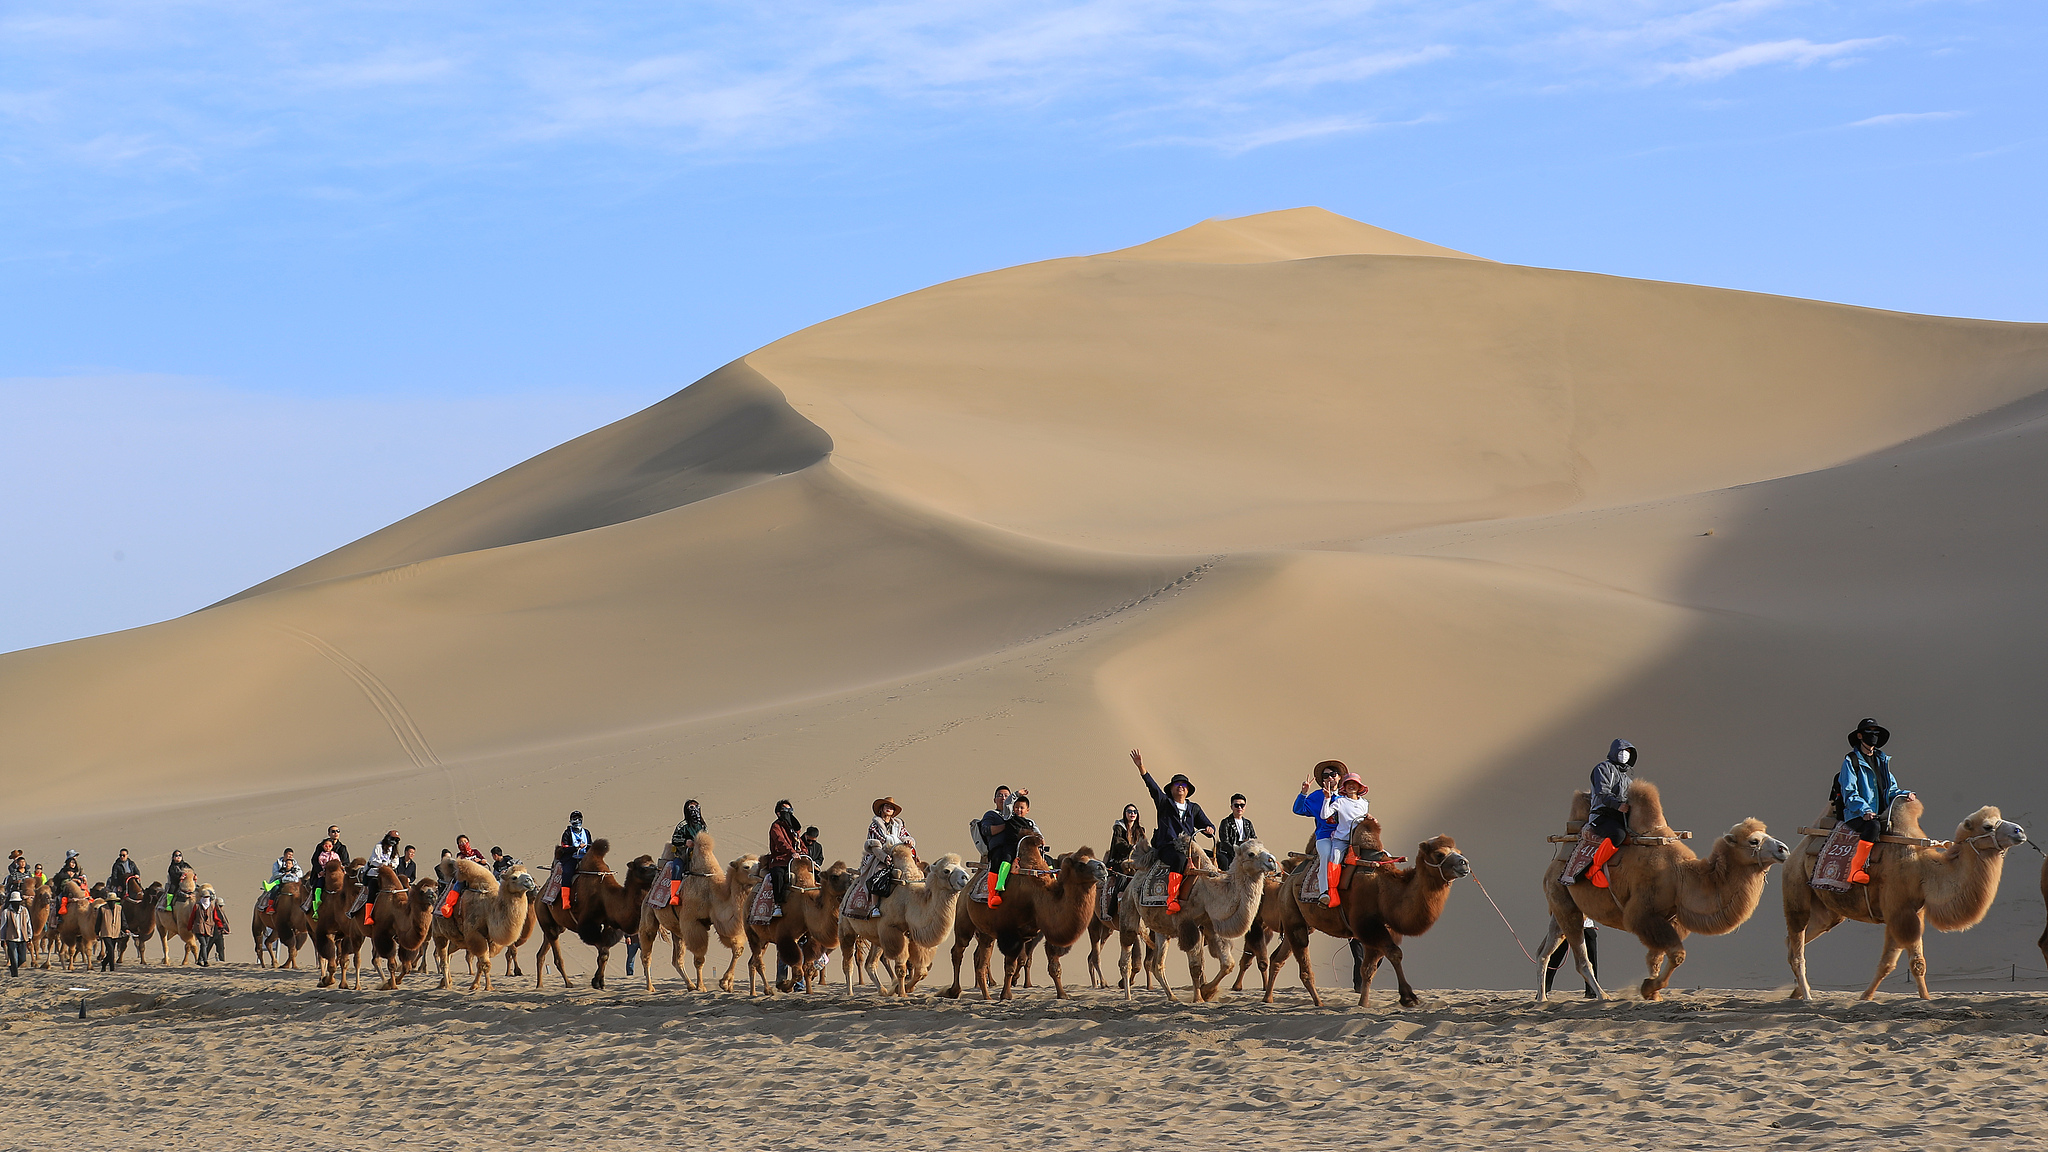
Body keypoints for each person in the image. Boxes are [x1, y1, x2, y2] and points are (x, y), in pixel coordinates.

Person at [1130, 750, 1215, 914]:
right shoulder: (1164, 803)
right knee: (1179, 859)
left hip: (1189, 847)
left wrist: (1210, 830)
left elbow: (1207, 825)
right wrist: (1141, 767)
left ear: (1188, 790)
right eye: (1177, 785)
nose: (1181, 787)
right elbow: (1152, 788)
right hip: (1167, 847)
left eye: (1184, 785)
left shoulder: (1193, 808)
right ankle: (1172, 899)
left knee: (1215, 858)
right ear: (1171, 789)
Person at [1833, 718, 1912, 885]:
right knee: (1873, 827)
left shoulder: (1881, 760)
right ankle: (1856, 870)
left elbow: (1890, 789)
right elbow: (1850, 792)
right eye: (1870, 732)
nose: (1873, 736)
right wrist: (1864, 811)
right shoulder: (1851, 761)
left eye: (1876, 733)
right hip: (1857, 814)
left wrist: (1905, 794)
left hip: (1879, 813)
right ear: (1860, 736)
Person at [1565, 740, 1636, 888]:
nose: (1625, 755)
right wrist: (1617, 805)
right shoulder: (1603, 769)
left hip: (1620, 816)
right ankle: (1594, 868)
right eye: (1622, 751)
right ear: (1615, 751)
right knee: (1618, 835)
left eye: (1628, 752)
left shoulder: (1628, 779)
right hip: (1602, 815)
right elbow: (1603, 792)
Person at [845, 798, 916, 920]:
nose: (889, 808)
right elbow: (875, 846)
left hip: (898, 855)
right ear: (881, 809)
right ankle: (874, 907)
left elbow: (906, 836)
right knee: (878, 874)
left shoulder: (898, 825)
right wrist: (884, 858)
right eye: (886, 806)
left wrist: (909, 841)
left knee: (916, 874)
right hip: (879, 856)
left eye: (891, 807)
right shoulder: (874, 825)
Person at [1316, 773, 1372, 908]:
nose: (1351, 786)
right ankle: (1328, 892)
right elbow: (1324, 815)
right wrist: (1327, 799)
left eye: (1354, 784)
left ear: (1359, 787)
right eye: (1348, 784)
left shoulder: (1364, 803)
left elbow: (1363, 818)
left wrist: (1370, 818)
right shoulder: (1340, 802)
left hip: (1359, 840)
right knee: (1333, 858)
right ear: (1344, 787)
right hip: (1341, 840)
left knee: (1379, 854)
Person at [1294, 760, 1344, 903]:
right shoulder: (1316, 796)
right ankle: (1324, 891)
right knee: (1327, 855)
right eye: (1325, 776)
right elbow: (1298, 809)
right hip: (1325, 836)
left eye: (1333, 774)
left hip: (1345, 837)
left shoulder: (1346, 796)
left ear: (1339, 777)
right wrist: (1303, 793)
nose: (1329, 778)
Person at [985, 794, 1045, 908]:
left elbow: (1038, 833)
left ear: (1027, 810)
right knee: (1006, 860)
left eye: (1022, 808)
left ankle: (1051, 881)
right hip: (1011, 847)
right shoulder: (1009, 818)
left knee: (1046, 860)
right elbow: (1007, 804)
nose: (1019, 810)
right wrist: (1017, 794)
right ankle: (998, 886)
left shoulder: (1030, 823)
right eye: (1016, 807)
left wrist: (1041, 839)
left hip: (1027, 849)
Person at [1545, 916, 1600, 999]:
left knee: (1591, 962)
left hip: (1586, 928)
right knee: (1554, 960)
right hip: (1565, 929)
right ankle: (1544, 989)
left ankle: (1591, 991)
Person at [354, 831, 402, 924]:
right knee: (373, 891)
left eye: (396, 840)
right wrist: (384, 864)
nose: (393, 841)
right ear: (387, 838)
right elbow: (374, 860)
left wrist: (390, 865)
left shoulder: (394, 850)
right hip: (374, 873)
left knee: (402, 887)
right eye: (392, 839)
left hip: (388, 874)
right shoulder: (378, 847)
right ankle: (367, 916)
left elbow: (396, 862)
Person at [765, 800, 802, 918]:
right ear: (778, 813)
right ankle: (778, 905)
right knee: (778, 875)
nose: (788, 813)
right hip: (780, 860)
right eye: (785, 811)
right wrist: (792, 852)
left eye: (790, 810)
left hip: (795, 861)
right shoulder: (775, 827)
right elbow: (781, 842)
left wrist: (804, 852)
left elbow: (800, 842)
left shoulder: (793, 829)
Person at [973, 786, 1020, 861]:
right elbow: (986, 830)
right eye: (1000, 795)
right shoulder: (991, 814)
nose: (1003, 798)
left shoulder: (1016, 816)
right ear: (995, 800)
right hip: (999, 849)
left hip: (1017, 849)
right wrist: (1006, 826)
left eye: (1006, 796)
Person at [669, 800, 708, 882]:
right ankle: (674, 892)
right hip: (683, 855)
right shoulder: (683, 825)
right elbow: (675, 839)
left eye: (697, 806)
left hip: (699, 855)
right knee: (677, 868)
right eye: (691, 807)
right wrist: (685, 842)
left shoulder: (702, 826)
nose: (694, 810)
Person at [1217, 794, 1256, 871]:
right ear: (1231, 807)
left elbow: (1254, 838)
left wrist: (1249, 843)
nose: (1239, 808)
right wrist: (1236, 853)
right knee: (1224, 862)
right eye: (1236, 805)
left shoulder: (1248, 823)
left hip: (1245, 852)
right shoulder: (1225, 822)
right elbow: (1225, 842)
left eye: (1242, 805)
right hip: (1229, 853)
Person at [1105, 804, 1145, 873]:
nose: (1132, 813)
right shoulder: (1119, 828)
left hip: (1136, 860)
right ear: (1125, 813)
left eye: (1135, 811)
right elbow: (1119, 843)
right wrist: (1131, 848)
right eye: (1129, 811)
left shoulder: (1140, 830)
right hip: (1119, 861)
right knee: (1123, 877)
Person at [2, 891, 30, 976]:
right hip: (11, 938)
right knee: (14, 959)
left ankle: (13, 968)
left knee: (22, 959)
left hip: (22, 938)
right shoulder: (6, 912)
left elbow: (28, 923)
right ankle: (15, 975)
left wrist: (29, 935)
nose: (16, 904)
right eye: (14, 902)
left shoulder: (24, 911)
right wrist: (2, 939)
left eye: (17, 902)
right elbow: (3, 926)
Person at [96, 893, 123, 972]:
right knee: (110, 950)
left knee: (111, 951)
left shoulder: (119, 908)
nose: (112, 903)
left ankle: (104, 963)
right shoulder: (102, 909)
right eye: (110, 901)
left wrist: (126, 928)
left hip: (116, 932)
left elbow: (123, 919)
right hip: (106, 932)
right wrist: (96, 932)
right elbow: (98, 921)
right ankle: (112, 968)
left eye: (113, 901)